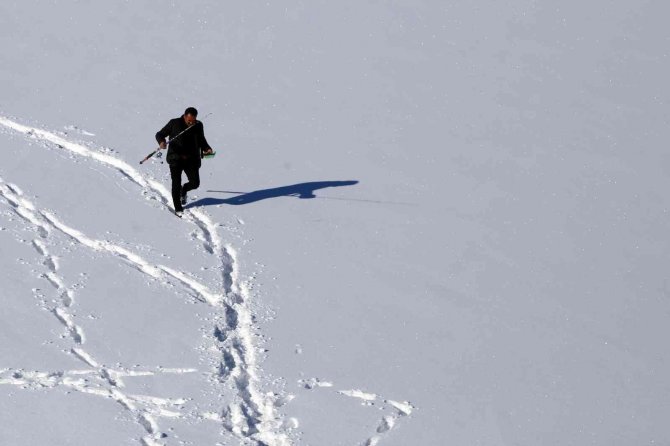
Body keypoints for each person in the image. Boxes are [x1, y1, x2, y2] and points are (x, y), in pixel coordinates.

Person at [155, 107, 214, 216]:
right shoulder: (174, 123)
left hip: (192, 159)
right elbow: (159, 134)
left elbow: (201, 139)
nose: (191, 123)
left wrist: (207, 148)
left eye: (193, 120)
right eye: (189, 121)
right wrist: (162, 142)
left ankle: (184, 190)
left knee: (195, 183)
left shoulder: (198, 125)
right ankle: (178, 208)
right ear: (184, 116)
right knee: (176, 183)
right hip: (175, 159)